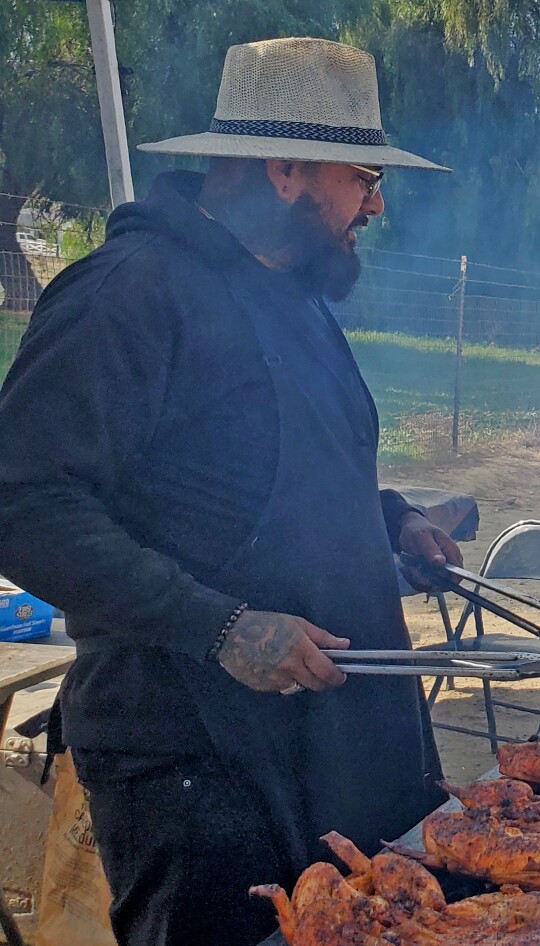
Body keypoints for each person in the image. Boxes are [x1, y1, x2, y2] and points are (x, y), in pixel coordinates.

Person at [0, 38, 461, 946]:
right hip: (200, 769)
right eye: (362, 175)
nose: (375, 201)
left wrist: (391, 521)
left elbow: (260, 483)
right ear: (285, 169)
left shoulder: (289, 293)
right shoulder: (127, 294)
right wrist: (220, 627)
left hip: (340, 744)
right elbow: (21, 498)